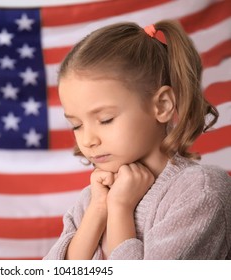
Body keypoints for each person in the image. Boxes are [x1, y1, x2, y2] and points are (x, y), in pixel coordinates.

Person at [43, 20, 231, 260]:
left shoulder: (201, 191)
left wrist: (120, 209)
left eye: (106, 119)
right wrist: (99, 210)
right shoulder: (92, 198)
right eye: (77, 125)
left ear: (162, 105)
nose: (88, 140)